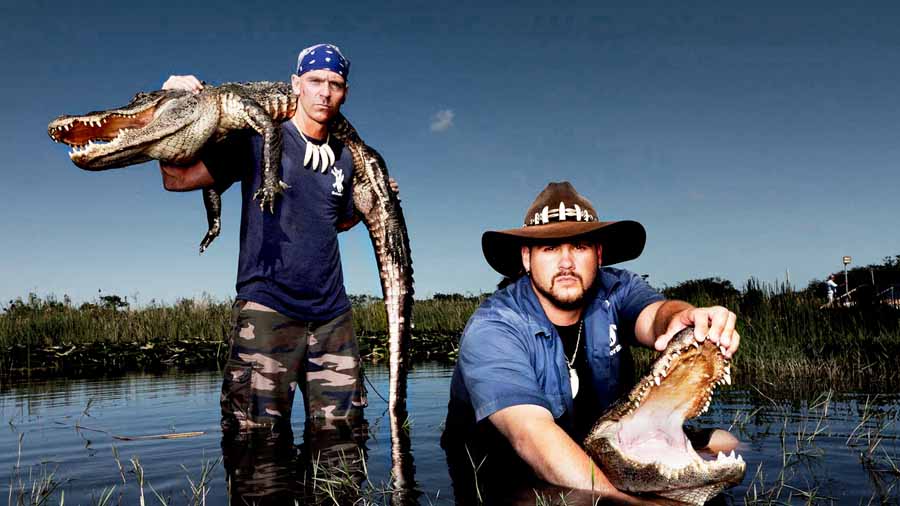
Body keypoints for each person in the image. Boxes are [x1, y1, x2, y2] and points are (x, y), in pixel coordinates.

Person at [441, 181, 741, 502]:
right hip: (500, 467)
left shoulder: (616, 288)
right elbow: (531, 437)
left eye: (580, 246)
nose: (567, 262)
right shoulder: (494, 326)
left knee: (726, 443)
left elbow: (656, 317)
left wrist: (686, 317)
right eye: (550, 248)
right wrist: (629, 504)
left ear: (598, 255)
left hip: (591, 443)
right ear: (527, 258)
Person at [160, 44, 382, 434]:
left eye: (336, 84)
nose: (325, 92)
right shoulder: (255, 138)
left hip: (333, 317)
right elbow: (175, 179)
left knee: (344, 440)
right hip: (267, 309)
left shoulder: (345, 157)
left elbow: (338, 222)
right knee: (254, 440)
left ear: (345, 92)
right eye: (315, 81)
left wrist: (375, 203)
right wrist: (172, 97)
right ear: (296, 84)